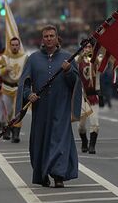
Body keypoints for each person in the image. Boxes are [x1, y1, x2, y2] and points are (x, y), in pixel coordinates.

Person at [16, 25, 82, 188]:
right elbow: (24, 83)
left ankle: (58, 175)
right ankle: (42, 174)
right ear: (42, 39)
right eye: (46, 36)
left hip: (61, 107)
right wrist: (28, 95)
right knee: (40, 142)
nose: (49, 39)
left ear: (57, 38)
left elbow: (76, 83)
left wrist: (68, 71)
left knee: (59, 140)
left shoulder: (67, 57)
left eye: (52, 36)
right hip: (41, 108)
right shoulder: (33, 59)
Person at [0, 36, 28, 143]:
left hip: (19, 88)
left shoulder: (25, 57)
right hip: (7, 87)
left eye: (17, 45)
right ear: (10, 46)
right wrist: (4, 70)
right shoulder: (4, 58)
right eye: (13, 45)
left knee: (17, 112)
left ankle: (16, 134)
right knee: (7, 112)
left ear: (19, 45)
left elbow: (30, 72)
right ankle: (6, 129)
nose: (15, 47)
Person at [77, 43, 101, 154]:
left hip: (93, 95)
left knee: (95, 123)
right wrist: (82, 55)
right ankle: (84, 141)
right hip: (82, 96)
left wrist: (94, 55)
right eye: (85, 47)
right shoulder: (79, 60)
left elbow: (101, 62)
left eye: (89, 47)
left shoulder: (97, 59)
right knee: (81, 126)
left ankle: (92, 146)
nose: (88, 49)